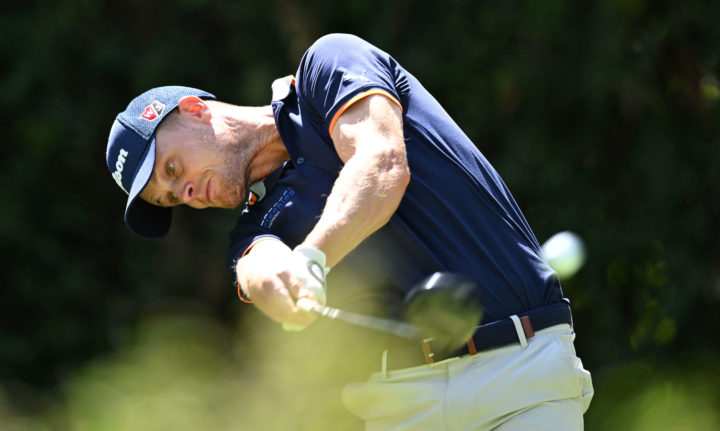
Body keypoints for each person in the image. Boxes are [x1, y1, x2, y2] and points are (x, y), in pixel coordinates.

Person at [106, 33, 593, 430]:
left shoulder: (328, 65)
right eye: (171, 198)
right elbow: (258, 263)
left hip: (522, 376)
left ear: (194, 110)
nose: (187, 192)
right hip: (398, 407)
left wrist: (311, 258)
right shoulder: (254, 225)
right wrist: (278, 280)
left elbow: (382, 165)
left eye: (172, 168)